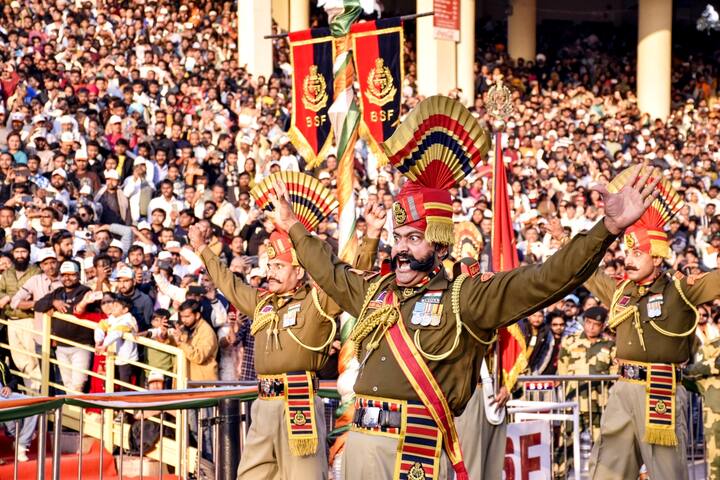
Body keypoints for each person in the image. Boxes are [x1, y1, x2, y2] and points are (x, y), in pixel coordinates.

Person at [269, 96, 658, 480]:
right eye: (398, 237)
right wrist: (293, 228)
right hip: (362, 444)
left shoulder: (467, 296)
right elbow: (329, 271)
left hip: (415, 448)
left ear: (439, 244)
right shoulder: (377, 290)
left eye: (414, 239)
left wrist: (606, 230)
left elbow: (547, 279)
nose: (401, 249)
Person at [188, 172, 379, 480]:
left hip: (299, 403)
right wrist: (202, 249)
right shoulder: (262, 302)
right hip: (263, 404)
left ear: (300, 273)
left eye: (279, 266)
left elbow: (354, 284)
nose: (271, 272)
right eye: (270, 265)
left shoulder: (317, 302)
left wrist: (370, 238)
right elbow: (227, 282)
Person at [584, 169, 720, 480]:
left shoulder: (680, 289)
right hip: (622, 387)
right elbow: (591, 276)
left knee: (666, 472)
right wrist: (566, 239)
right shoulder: (621, 291)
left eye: (637, 253)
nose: (628, 259)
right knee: (606, 469)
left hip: (660, 388)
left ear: (657, 257)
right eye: (626, 251)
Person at [555, 306, 615, 478]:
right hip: (573, 402)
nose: (591, 327)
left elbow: (615, 375)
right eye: (588, 323)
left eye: (596, 324)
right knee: (566, 441)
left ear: (603, 325)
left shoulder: (610, 345)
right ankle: (560, 474)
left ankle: (602, 476)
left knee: (601, 443)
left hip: (598, 403)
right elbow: (562, 369)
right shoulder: (570, 341)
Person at [35, 261, 97, 393]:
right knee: (67, 384)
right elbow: (38, 305)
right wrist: (53, 302)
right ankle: (70, 414)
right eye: (64, 275)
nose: (67, 278)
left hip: (81, 345)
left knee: (79, 384)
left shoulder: (85, 291)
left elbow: (75, 311)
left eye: (71, 275)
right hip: (61, 346)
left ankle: (78, 413)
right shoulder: (58, 292)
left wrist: (55, 309)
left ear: (78, 275)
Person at [10, 247, 62, 392]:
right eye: (45, 263)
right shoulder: (35, 280)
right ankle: (48, 411)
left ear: (57, 263)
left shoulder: (66, 279)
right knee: (46, 376)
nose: (50, 266)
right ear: (40, 266)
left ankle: (63, 412)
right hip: (41, 336)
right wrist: (38, 304)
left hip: (63, 337)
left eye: (52, 262)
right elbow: (15, 301)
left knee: (62, 378)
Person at [0, 239, 39, 391]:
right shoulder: (7, 273)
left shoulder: (36, 271)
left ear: (29, 253)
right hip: (11, 321)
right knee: (20, 361)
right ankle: (30, 394)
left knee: (33, 361)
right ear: (13, 253)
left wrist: (19, 300)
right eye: (17, 252)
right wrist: (8, 298)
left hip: (28, 319)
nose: (20, 255)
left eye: (23, 251)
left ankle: (36, 395)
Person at [683, 333, 720, 480]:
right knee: (716, 464)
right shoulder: (712, 347)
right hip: (715, 414)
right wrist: (714, 364)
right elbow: (691, 373)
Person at [1, 355, 38, 462]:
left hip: (5, 396)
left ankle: (22, 445)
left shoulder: (1, 364)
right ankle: (22, 436)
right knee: (12, 427)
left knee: (34, 404)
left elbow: (13, 380)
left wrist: (9, 387)